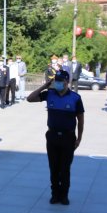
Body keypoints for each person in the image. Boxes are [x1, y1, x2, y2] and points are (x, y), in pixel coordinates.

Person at [27, 70, 84, 206]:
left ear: (67, 82)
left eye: (60, 81)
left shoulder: (75, 98)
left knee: (65, 168)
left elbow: (80, 119)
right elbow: (30, 99)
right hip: (52, 136)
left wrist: (79, 138)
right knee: (53, 168)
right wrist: (44, 86)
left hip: (68, 137)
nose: (57, 83)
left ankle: (64, 195)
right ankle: (55, 194)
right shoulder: (50, 94)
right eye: (56, 81)